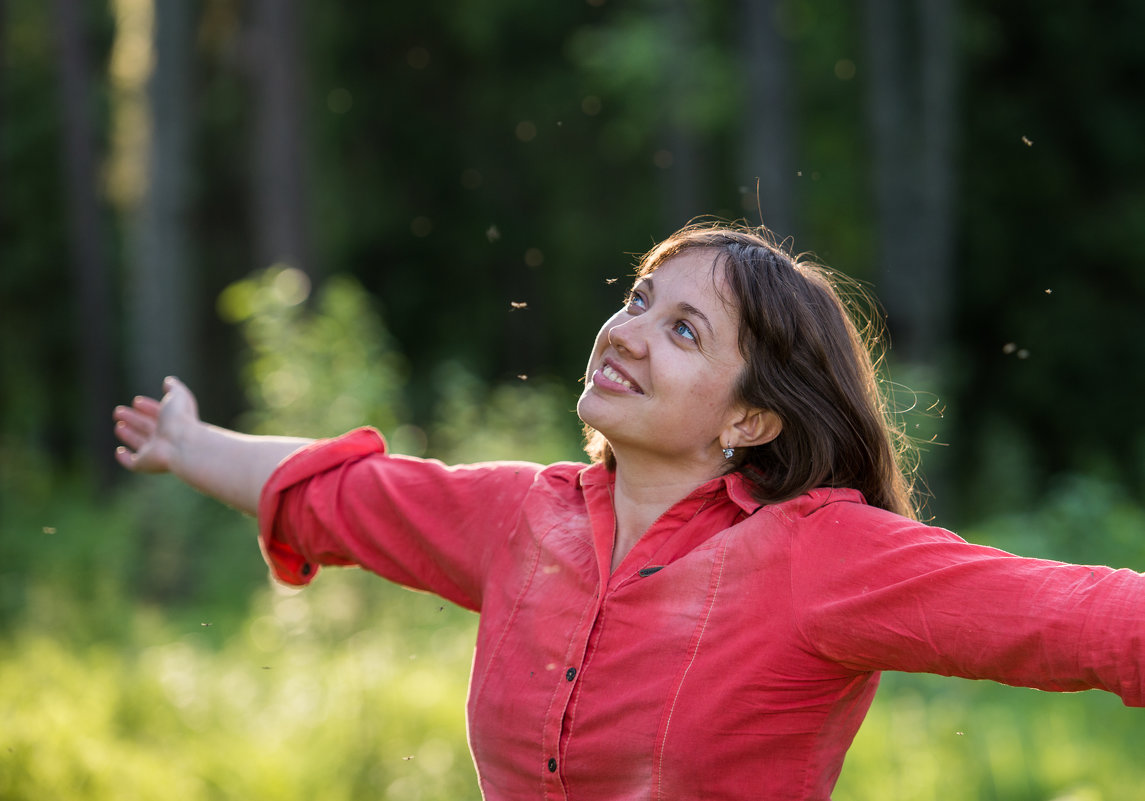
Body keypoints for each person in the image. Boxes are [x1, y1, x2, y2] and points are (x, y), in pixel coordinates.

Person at [113, 221, 1145, 800]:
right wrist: (187, 445)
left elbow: (1081, 618)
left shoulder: (819, 556)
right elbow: (340, 494)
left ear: (748, 420)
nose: (629, 330)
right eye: (639, 298)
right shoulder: (521, 517)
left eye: (685, 330)